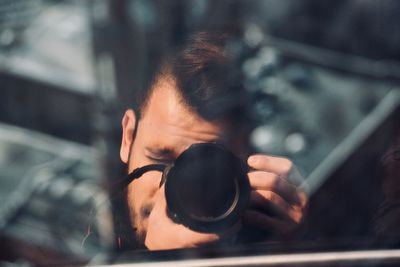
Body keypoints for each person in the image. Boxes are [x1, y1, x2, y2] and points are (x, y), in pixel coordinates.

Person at [119, 32, 308, 250]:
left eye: (206, 170)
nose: (172, 191)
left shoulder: (256, 232)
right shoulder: (84, 242)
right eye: (160, 158)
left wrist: (285, 250)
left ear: (245, 171)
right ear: (128, 137)